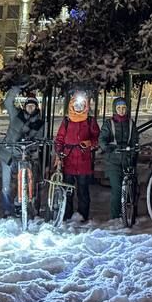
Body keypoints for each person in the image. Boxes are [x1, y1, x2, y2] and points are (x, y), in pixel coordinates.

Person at [0, 88, 46, 219]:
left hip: (25, 155)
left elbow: (39, 139)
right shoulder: (16, 115)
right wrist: (17, 88)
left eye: (33, 106)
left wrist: (33, 146)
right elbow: (8, 101)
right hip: (9, 153)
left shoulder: (39, 123)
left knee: (25, 180)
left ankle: (20, 204)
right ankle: (7, 210)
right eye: (28, 105)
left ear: (36, 107)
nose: (30, 108)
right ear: (24, 106)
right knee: (6, 185)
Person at [54, 89, 100, 221]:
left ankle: (82, 216)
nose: (78, 108)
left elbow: (97, 139)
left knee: (83, 191)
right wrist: (59, 152)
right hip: (68, 160)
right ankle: (66, 215)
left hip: (84, 162)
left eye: (81, 105)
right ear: (72, 105)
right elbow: (59, 139)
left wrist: (90, 143)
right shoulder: (67, 121)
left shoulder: (90, 121)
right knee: (67, 190)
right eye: (76, 105)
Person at [99, 96, 138, 221]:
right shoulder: (109, 123)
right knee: (117, 189)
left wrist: (134, 152)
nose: (121, 110)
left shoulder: (131, 124)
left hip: (127, 159)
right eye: (119, 108)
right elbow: (102, 139)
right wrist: (107, 147)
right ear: (115, 109)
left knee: (130, 188)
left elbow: (134, 141)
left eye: (124, 108)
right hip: (113, 160)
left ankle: (130, 214)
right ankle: (115, 216)